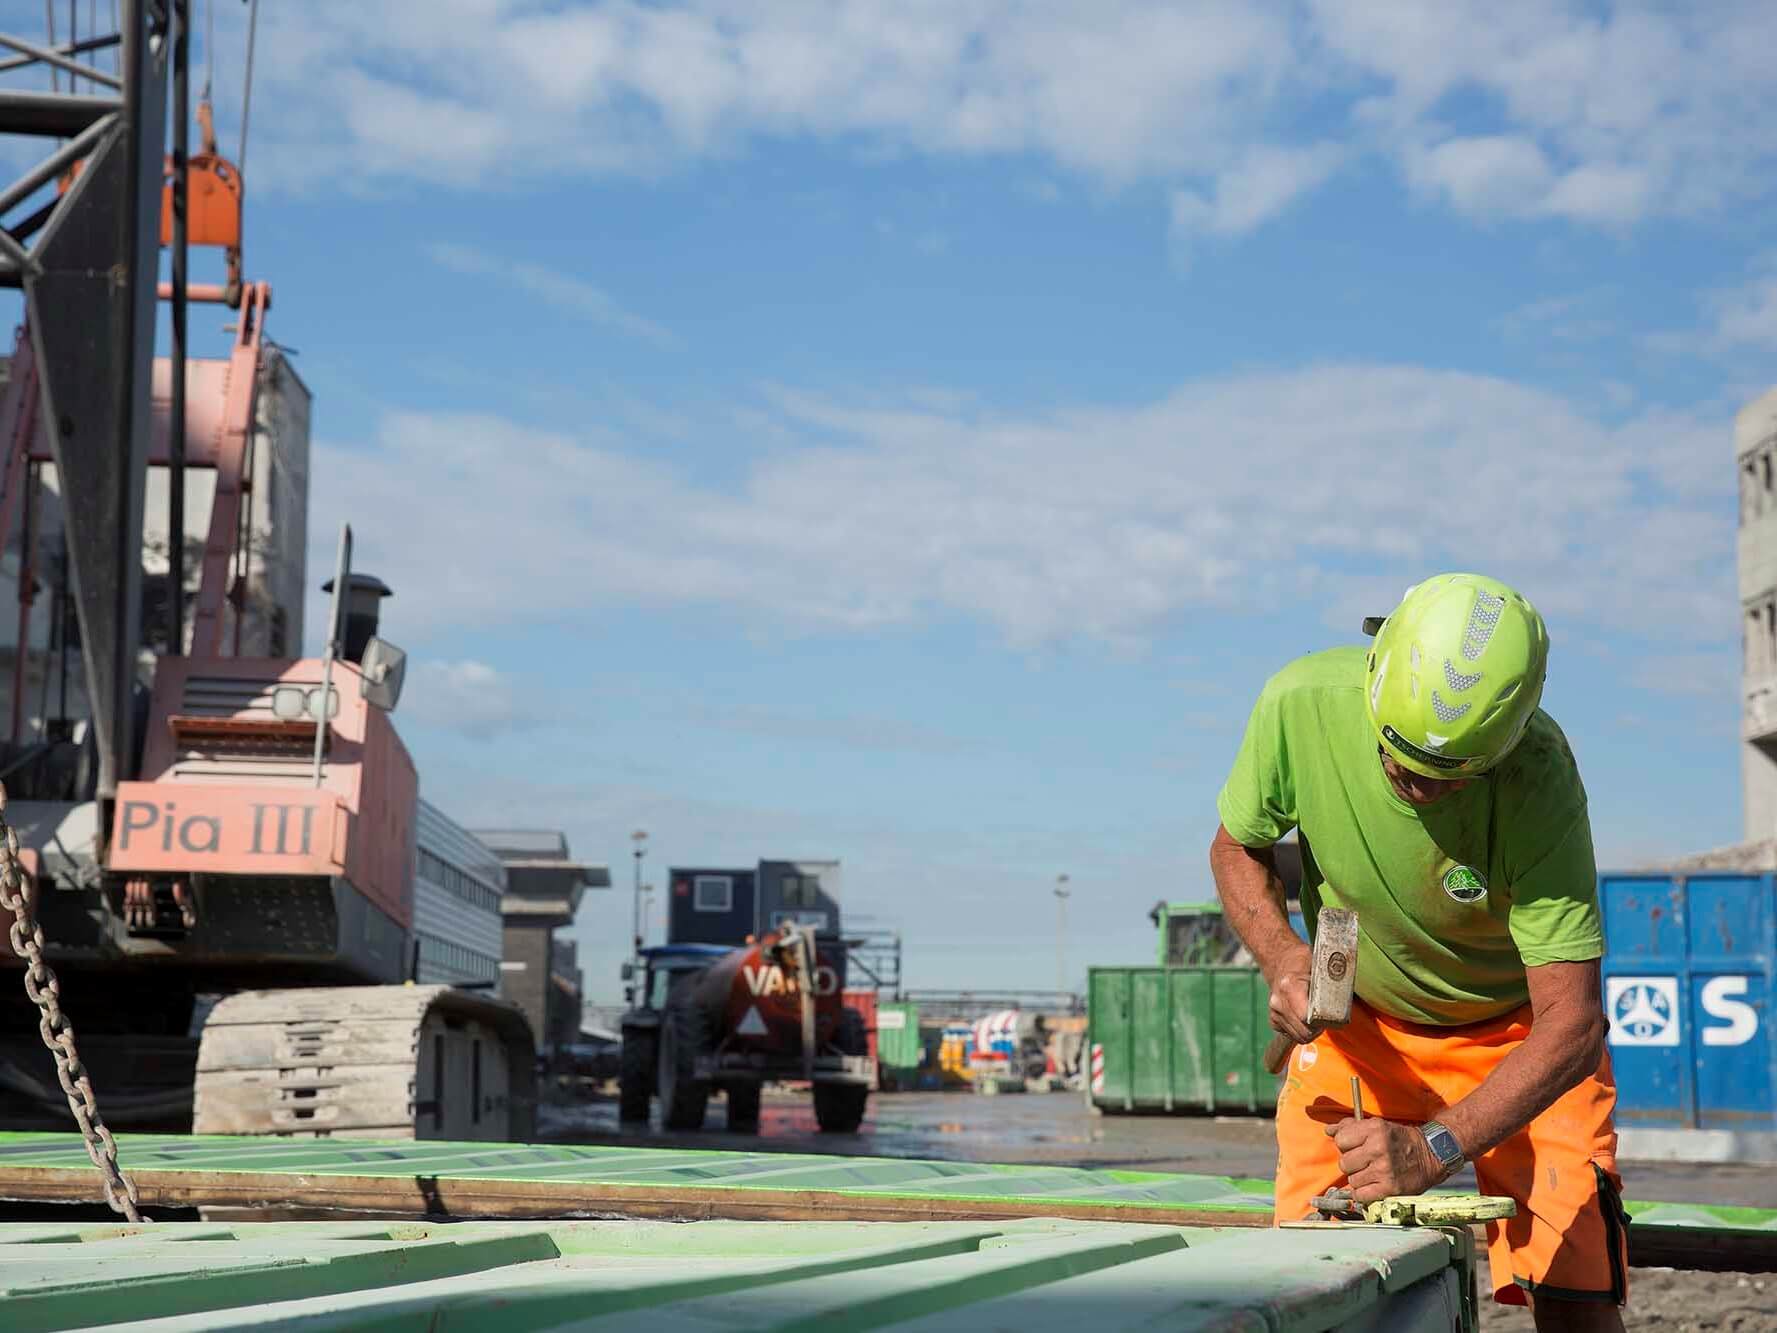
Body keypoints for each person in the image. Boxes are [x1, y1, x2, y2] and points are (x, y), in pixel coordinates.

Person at [1208, 572, 1626, 1332]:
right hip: (1360, 1028)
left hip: (1518, 1040)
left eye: (1444, 778)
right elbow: (1237, 846)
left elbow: (1571, 1023)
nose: (1413, 785)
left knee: (1576, 1299)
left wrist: (1435, 1145)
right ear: (1375, 670)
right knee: (1310, 1283)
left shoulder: (1540, 778)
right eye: (1395, 759)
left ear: (1506, 742)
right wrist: (1282, 957)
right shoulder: (1298, 703)